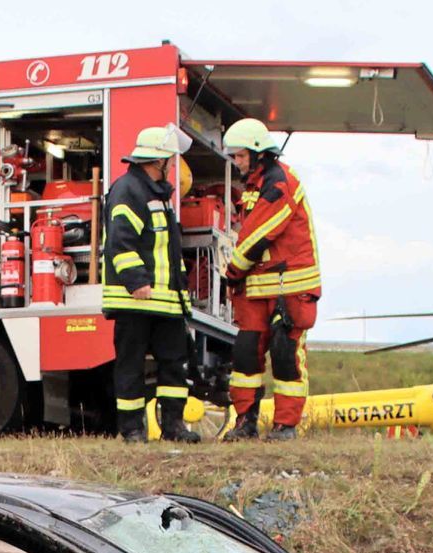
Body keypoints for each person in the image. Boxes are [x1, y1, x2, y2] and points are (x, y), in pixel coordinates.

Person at [220, 118, 320, 441]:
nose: (236, 162)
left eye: (240, 156)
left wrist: (232, 272)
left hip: (289, 286)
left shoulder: (280, 183)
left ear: (258, 153)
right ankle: (245, 422)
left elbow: (257, 235)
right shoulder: (255, 186)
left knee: (285, 353)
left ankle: (285, 426)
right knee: (246, 353)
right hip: (257, 286)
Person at [102, 126, 199, 444]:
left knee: (174, 364)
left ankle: (174, 427)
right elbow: (120, 241)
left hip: (165, 302)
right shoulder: (128, 190)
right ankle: (132, 430)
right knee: (130, 366)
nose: (172, 165)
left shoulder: (158, 194)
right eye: (170, 159)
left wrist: (181, 291)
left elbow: (168, 251)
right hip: (136, 300)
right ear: (158, 161)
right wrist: (136, 281)